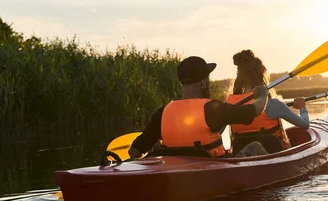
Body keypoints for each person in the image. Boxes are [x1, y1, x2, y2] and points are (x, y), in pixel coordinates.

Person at [128, 56, 269, 159]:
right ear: (203, 82)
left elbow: (134, 152)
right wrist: (262, 96)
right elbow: (252, 112)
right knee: (255, 146)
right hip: (214, 173)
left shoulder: (163, 113)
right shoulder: (212, 109)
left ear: (182, 83)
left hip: (177, 176)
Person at [226, 50, 310, 155]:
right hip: (272, 156)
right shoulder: (273, 104)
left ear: (239, 75)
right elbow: (305, 125)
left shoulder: (229, 105)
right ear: (262, 75)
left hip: (241, 156)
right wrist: (302, 107)